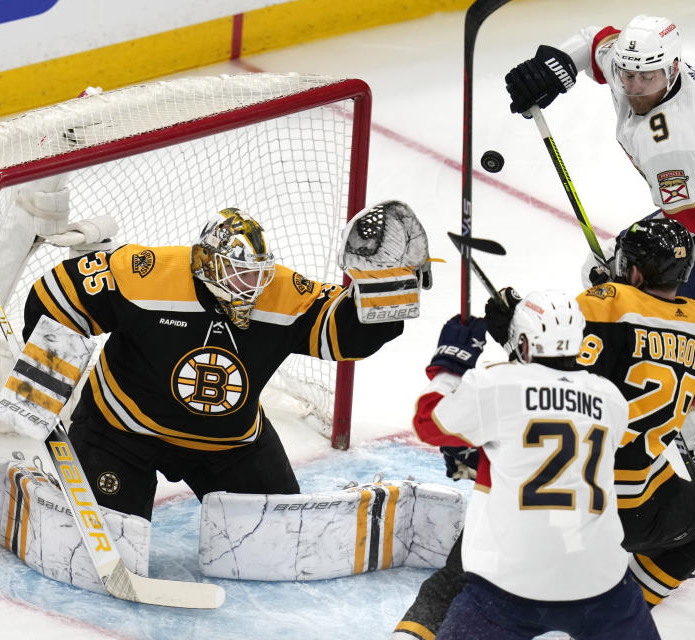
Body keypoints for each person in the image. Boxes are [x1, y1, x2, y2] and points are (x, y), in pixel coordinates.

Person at [392, 219, 695, 638]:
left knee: (471, 565)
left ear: (636, 270)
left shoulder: (606, 303)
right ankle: (629, 604)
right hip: (649, 507)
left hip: (579, 507)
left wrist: (512, 331)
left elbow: (554, 386)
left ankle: (415, 631)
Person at [503, 14, 695, 499]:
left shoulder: (671, 138)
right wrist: (555, 67)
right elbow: (597, 43)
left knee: (668, 326)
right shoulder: (638, 65)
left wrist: (627, 259)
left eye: (646, 77)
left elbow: (689, 220)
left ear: (672, 70)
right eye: (629, 74)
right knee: (618, 291)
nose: (634, 86)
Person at [21, 205, 420, 520]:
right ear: (207, 263)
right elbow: (59, 295)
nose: (253, 286)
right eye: (238, 274)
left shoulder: (280, 290)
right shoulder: (145, 272)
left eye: (258, 274)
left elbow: (344, 335)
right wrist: (45, 377)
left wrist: (385, 290)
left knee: (279, 535)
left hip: (230, 444)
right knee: (112, 534)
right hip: (121, 432)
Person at [407, 291, 659, 640]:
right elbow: (558, 404)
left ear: (523, 344)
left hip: (510, 586)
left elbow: (427, 422)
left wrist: (449, 368)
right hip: (601, 584)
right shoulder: (612, 399)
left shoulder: (495, 385)